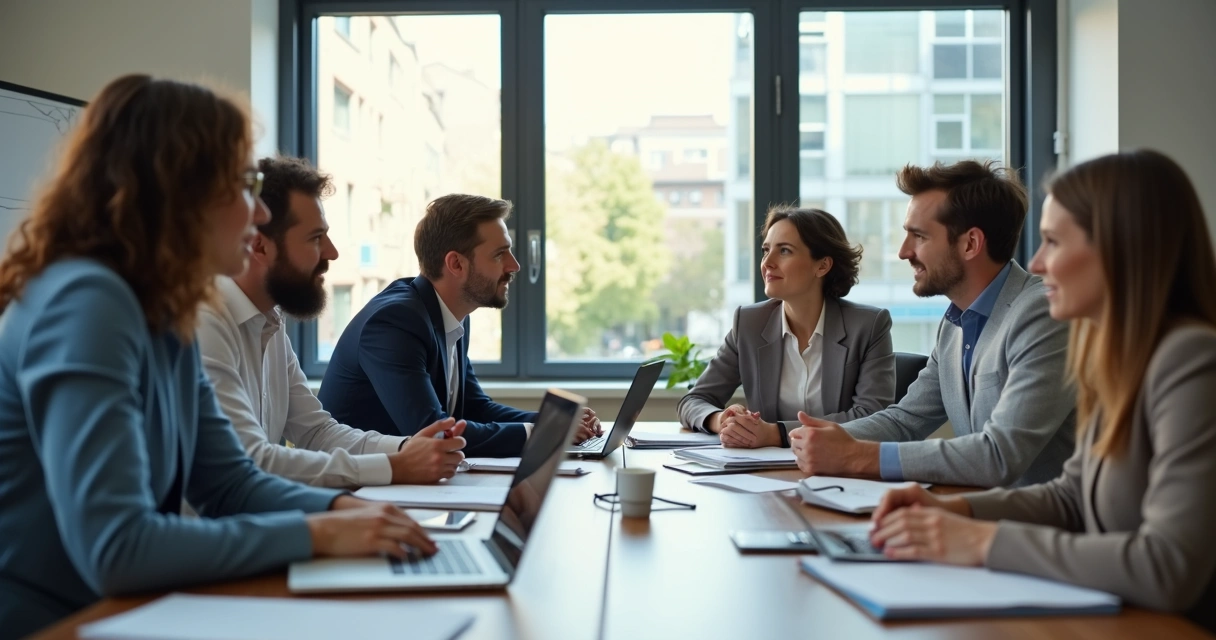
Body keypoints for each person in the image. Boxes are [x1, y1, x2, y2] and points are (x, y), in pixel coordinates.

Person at [0, 75, 434, 639]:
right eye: (244, 185)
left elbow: (230, 482)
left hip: (122, 609)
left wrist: (342, 512)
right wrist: (318, 535)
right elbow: (118, 546)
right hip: (54, 620)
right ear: (179, 190)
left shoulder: (163, 306)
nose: (257, 215)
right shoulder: (87, 301)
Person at [868, 149, 1216, 631]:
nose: (1036, 262)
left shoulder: (1190, 359)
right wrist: (953, 509)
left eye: (1052, 241)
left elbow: (1167, 565)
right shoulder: (1112, 353)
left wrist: (979, 543)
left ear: (1119, 247)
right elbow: (1072, 497)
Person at [790, 160, 1076, 487]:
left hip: (1044, 530)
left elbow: (1000, 455)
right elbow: (906, 421)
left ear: (970, 244)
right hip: (979, 517)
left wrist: (856, 456)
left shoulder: (1043, 314)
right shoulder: (955, 322)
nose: (903, 252)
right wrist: (816, 438)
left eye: (919, 236)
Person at [197, 155, 467, 488]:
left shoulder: (271, 323)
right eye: (315, 238)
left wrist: (407, 448)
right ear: (259, 246)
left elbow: (315, 432)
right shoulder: (205, 321)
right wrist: (395, 466)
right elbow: (252, 459)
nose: (332, 252)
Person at [319, 194, 599, 457]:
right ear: (455, 264)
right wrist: (541, 432)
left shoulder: (450, 314)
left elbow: (475, 408)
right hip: (356, 489)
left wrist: (557, 422)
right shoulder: (395, 322)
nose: (514, 266)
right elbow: (433, 433)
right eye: (500, 254)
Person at [677, 206, 895, 448]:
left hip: (841, 472)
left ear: (822, 266)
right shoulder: (749, 323)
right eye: (766, 250)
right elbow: (694, 400)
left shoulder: (868, 326)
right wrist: (722, 420)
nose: (767, 263)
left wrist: (776, 433)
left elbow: (872, 419)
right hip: (766, 472)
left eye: (784, 251)